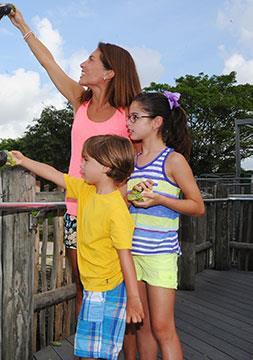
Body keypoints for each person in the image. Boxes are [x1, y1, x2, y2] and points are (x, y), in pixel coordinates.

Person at [8, 7, 142, 321]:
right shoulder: (79, 101)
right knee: (81, 287)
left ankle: (104, 345)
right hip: (75, 210)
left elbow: (137, 164)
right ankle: (86, 348)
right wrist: (23, 26)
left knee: (107, 289)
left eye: (91, 59)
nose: (83, 63)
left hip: (108, 215)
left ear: (109, 73)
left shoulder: (127, 115)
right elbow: (48, 61)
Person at [10, 135, 144, 360]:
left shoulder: (116, 210)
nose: (80, 165)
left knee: (98, 353)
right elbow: (54, 174)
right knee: (88, 351)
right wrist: (24, 160)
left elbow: (126, 258)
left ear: (106, 167)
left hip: (107, 290)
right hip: (94, 287)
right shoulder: (86, 190)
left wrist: (134, 299)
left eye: (86, 160)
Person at [124, 91, 205, 359]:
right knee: (142, 326)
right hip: (132, 254)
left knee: (163, 328)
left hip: (160, 255)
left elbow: (197, 205)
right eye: (129, 117)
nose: (129, 123)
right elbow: (124, 204)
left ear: (156, 122)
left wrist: (160, 198)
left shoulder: (174, 160)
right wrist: (130, 198)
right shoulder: (131, 162)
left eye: (135, 117)